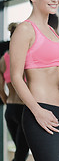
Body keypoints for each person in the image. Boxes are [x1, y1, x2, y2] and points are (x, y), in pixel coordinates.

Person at [9, 0, 59, 161]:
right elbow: (16, 77)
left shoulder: (52, 31)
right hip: (41, 110)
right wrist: (38, 112)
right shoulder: (25, 29)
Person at [0, 22, 29, 161]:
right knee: (21, 153)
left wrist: (9, 104)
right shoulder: (25, 57)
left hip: (10, 110)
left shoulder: (3, 59)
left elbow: (0, 90)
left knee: (20, 151)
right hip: (24, 109)